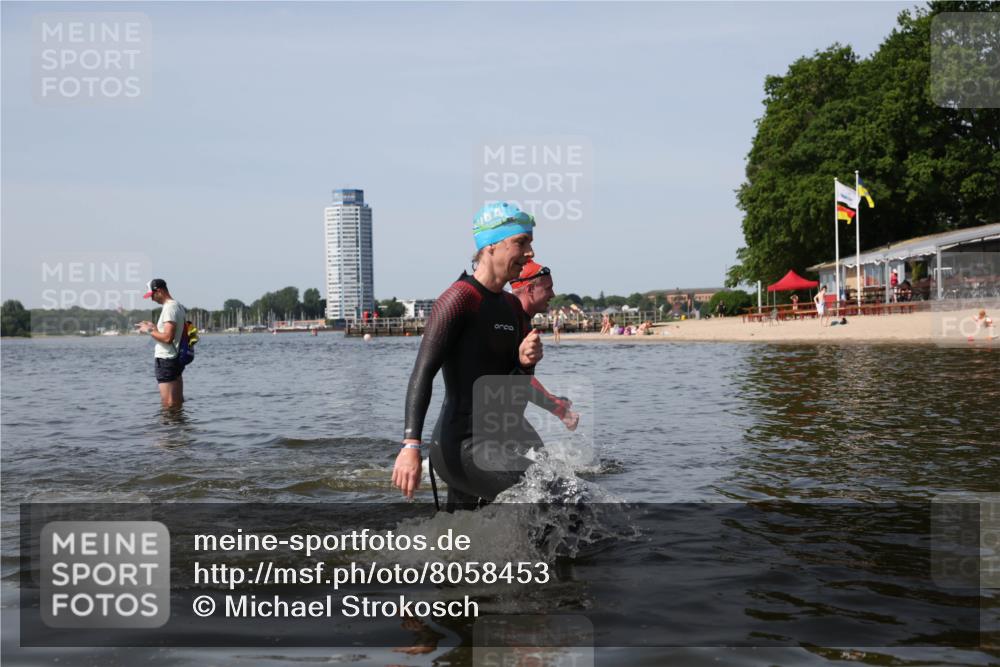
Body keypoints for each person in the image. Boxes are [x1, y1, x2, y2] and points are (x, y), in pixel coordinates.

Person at [392, 202, 543, 510]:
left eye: (530, 243)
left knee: (459, 544)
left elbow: (512, 394)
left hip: (495, 444)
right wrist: (410, 446)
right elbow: (423, 372)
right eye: (521, 242)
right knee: (548, 494)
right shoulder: (459, 299)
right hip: (461, 446)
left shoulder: (513, 308)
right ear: (490, 246)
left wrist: (526, 365)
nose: (530, 252)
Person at [510, 261, 580, 431]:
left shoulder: (521, 321)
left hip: (509, 419)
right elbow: (511, 378)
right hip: (492, 423)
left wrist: (552, 398)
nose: (553, 294)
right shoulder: (510, 322)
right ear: (530, 290)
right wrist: (558, 409)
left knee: (542, 456)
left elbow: (519, 376)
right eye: (548, 288)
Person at [135, 279, 187, 408]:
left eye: (152, 295)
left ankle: (168, 427)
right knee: (176, 402)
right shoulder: (177, 305)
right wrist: (154, 328)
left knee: (168, 403)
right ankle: (177, 426)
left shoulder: (169, 308)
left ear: (159, 291)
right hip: (174, 358)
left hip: (166, 360)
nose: (151, 299)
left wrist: (149, 331)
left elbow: (168, 338)